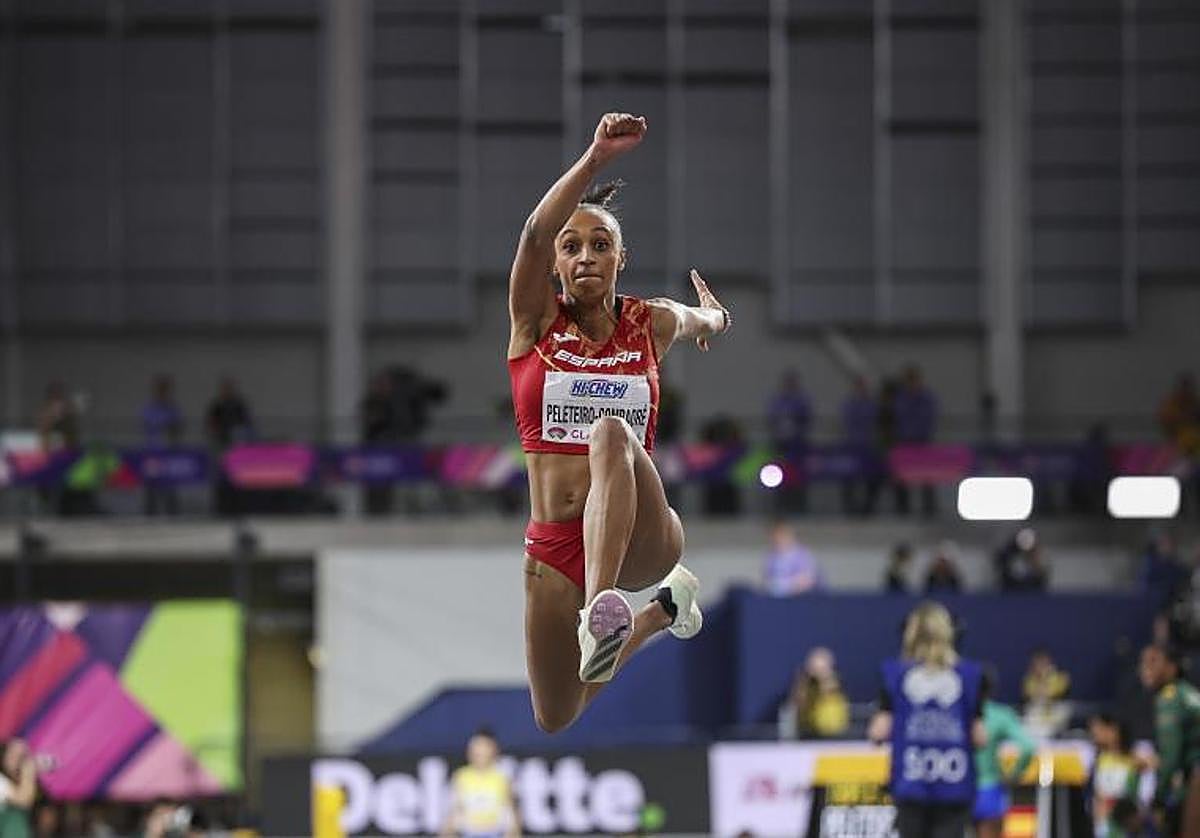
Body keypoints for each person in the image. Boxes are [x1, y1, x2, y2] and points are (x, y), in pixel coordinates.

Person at [506, 112, 729, 729]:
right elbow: (531, 232)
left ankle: (603, 606)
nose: (585, 257)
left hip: (641, 539)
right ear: (554, 265)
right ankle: (659, 612)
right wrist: (597, 158)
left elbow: (699, 318)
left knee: (608, 432)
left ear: (620, 258)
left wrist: (717, 320)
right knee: (557, 715)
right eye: (571, 247)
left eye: (600, 245)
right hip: (555, 546)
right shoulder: (534, 324)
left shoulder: (648, 323)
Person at [868, 602, 985, 838]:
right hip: (955, 783)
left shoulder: (895, 674)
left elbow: (879, 731)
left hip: (911, 782)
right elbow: (980, 737)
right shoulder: (970, 675)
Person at [1139, 643, 1200, 837]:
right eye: (1143, 661)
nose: (1145, 667)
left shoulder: (1170, 698)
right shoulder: (1187, 692)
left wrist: (1158, 799)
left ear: (1172, 667)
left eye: (1154, 661)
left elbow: (1170, 758)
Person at [974, 670, 1036, 838]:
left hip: (957, 790)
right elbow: (1028, 747)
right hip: (989, 789)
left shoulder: (955, 714)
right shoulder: (1000, 715)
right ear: (991, 689)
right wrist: (1015, 774)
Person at [440, 729, 519, 838]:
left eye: (485, 748)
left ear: (494, 751)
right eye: (477, 748)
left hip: (496, 832)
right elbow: (454, 811)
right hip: (468, 832)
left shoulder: (502, 778)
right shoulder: (461, 776)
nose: (481, 752)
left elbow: (511, 815)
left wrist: (513, 832)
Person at [893, 365, 939, 517]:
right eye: (909, 381)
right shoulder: (901, 398)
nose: (912, 385)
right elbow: (899, 418)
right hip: (905, 442)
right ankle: (903, 509)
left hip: (922, 441)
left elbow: (928, 419)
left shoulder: (926, 398)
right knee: (901, 478)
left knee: (927, 476)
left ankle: (929, 509)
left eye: (914, 381)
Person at [1088, 713, 1144, 838]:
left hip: (1125, 825)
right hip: (1103, 825)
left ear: (1114, 730)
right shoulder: (1100, 760)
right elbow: (1098, 796)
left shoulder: (1134, 761)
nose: (1094, 733)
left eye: (1099, 728)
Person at [766, 370, 812, 514]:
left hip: (798, 445)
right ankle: (781, 506)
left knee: (798, 476)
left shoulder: (801, 401)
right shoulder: (777, 401)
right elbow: (771, 419)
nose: (790, 386)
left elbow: (806, 419)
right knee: (780, 475)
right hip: (781, 445)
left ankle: (798, 506)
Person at [778, 648, 849, 739]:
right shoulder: (805, 684)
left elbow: (828, 691)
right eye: (815, 667)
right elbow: (798, 702)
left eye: (822, 667)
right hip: (809, 733)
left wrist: (823, 677)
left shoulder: (835, 680)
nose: (818, 671)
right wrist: (804, 681)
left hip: (835, 734)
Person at [141, 375, 183, 516]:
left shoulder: (173, 408)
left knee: (169, 487)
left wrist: (172, 428)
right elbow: (147, 425)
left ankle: (172, 513)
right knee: (152, 486)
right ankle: (149, 514)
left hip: (169, 454)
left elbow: (178, 427)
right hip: (153, 453)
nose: (162, 392)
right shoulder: (150, 408)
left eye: (165, 389)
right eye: (160, 389)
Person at [840, 375, 878, 515]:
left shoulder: (871, 405)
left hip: (868, 447)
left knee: (872, 477)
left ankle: (868, 507)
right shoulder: (850, 405)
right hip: (852, 447)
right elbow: (848, 424)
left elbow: (873, 424)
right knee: (848, 478)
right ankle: (849, 507)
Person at [763, 522, 824, 596]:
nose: (779, 540)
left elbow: (808, 580)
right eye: (776, 538)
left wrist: (785, 585)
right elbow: (768, 579)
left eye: (782, 537)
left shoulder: (803, 554)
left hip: (802, 597)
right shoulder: (772, 556)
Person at [1022, 648, 1071, 737]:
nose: (1039, 667)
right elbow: (1029, 695)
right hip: (1038, 712)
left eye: (1042, 663)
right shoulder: (1029, 679)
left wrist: (1045, 678)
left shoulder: (1061, 677)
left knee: (1063, 710)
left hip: (1055, 711)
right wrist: (1040, 683)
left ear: (1048, 663)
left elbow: (1056, 694)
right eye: (1036, 664)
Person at [0, 740, 36, 838]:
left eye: (22, 756)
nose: (16, 760)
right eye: (12, 754)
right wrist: (28, 772)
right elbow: (23, 800)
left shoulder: (21, 782)